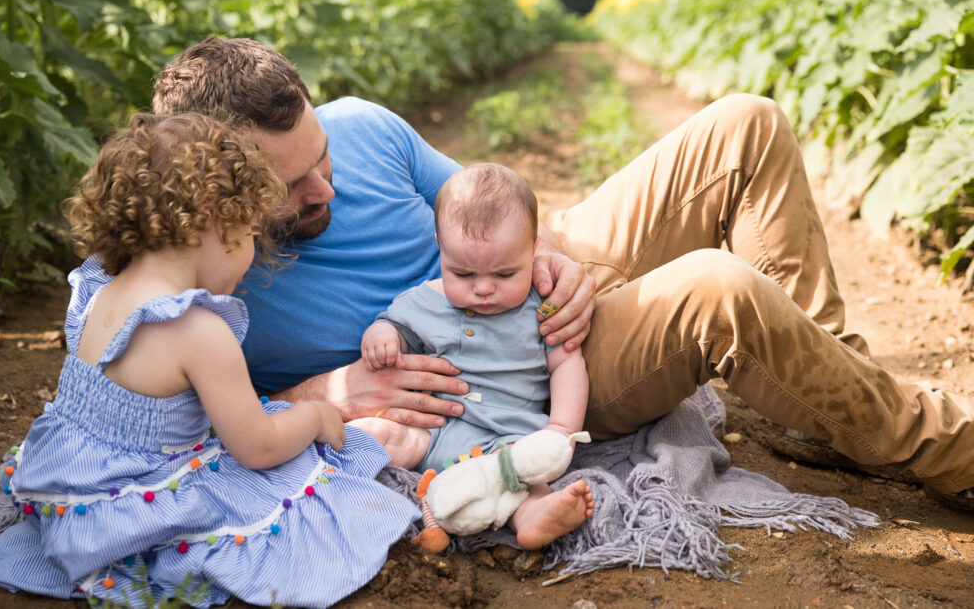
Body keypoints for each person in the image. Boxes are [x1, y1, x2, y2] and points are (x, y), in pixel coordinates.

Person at [151, 37, 974, 509]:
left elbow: (483, 202)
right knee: (720, 291)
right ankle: (947, 448)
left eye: (321, 158)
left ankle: (831, 405)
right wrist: (311, 396)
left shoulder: (363, 125)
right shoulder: (194, 276)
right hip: (513, 366)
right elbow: (158, 427)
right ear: (216, 192)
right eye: (292, 190)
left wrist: (556, 258)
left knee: (747, 127)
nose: (325, 187)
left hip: (541, 276)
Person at [0, 113, 419, 608]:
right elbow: (258, 448)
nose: (253, 252)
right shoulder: (198, 329)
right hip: (140, 496)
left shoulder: (98, 289)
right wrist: (319, 415)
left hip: (70, 487)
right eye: (252, 231)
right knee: (303, 478)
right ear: (216, 218)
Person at [353, 163, 595, 550]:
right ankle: (346, 492)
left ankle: (533, 518)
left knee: (525, 474)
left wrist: (560, 430)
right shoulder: (424, 302)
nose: (483, 288)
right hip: (433, 432)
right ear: (441, 248)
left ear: (534, 249)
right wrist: (382, 335)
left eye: (504, 274)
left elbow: (567, 363)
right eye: (463, 274)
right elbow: (394, 324)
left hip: (509, 435)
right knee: (374, 434)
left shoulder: (543, 306)